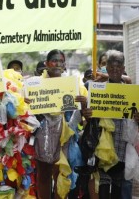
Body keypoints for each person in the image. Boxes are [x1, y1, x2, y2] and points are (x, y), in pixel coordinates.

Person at [33, 49, 88, 199]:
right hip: (43, 132)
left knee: (61, 173)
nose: (57, 64)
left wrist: (83, 103)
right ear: (46, 64)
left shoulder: (72, 84)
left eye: (61, 61)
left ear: (64, 65)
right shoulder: (36, 84)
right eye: (54, 60)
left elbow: (83, 108)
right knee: (44, 173)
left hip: (64, 132)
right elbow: (27, 108)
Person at [85, 50, 137, 199]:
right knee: (103, 184)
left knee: (118, 185)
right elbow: (89, 118)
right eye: (111, 66)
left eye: (118, 66)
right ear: (106, 68)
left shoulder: (130, 92)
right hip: (103, 145)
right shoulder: (97, 91)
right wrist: (87, 113)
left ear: (123, 68)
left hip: (122, 146)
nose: (115, 69)